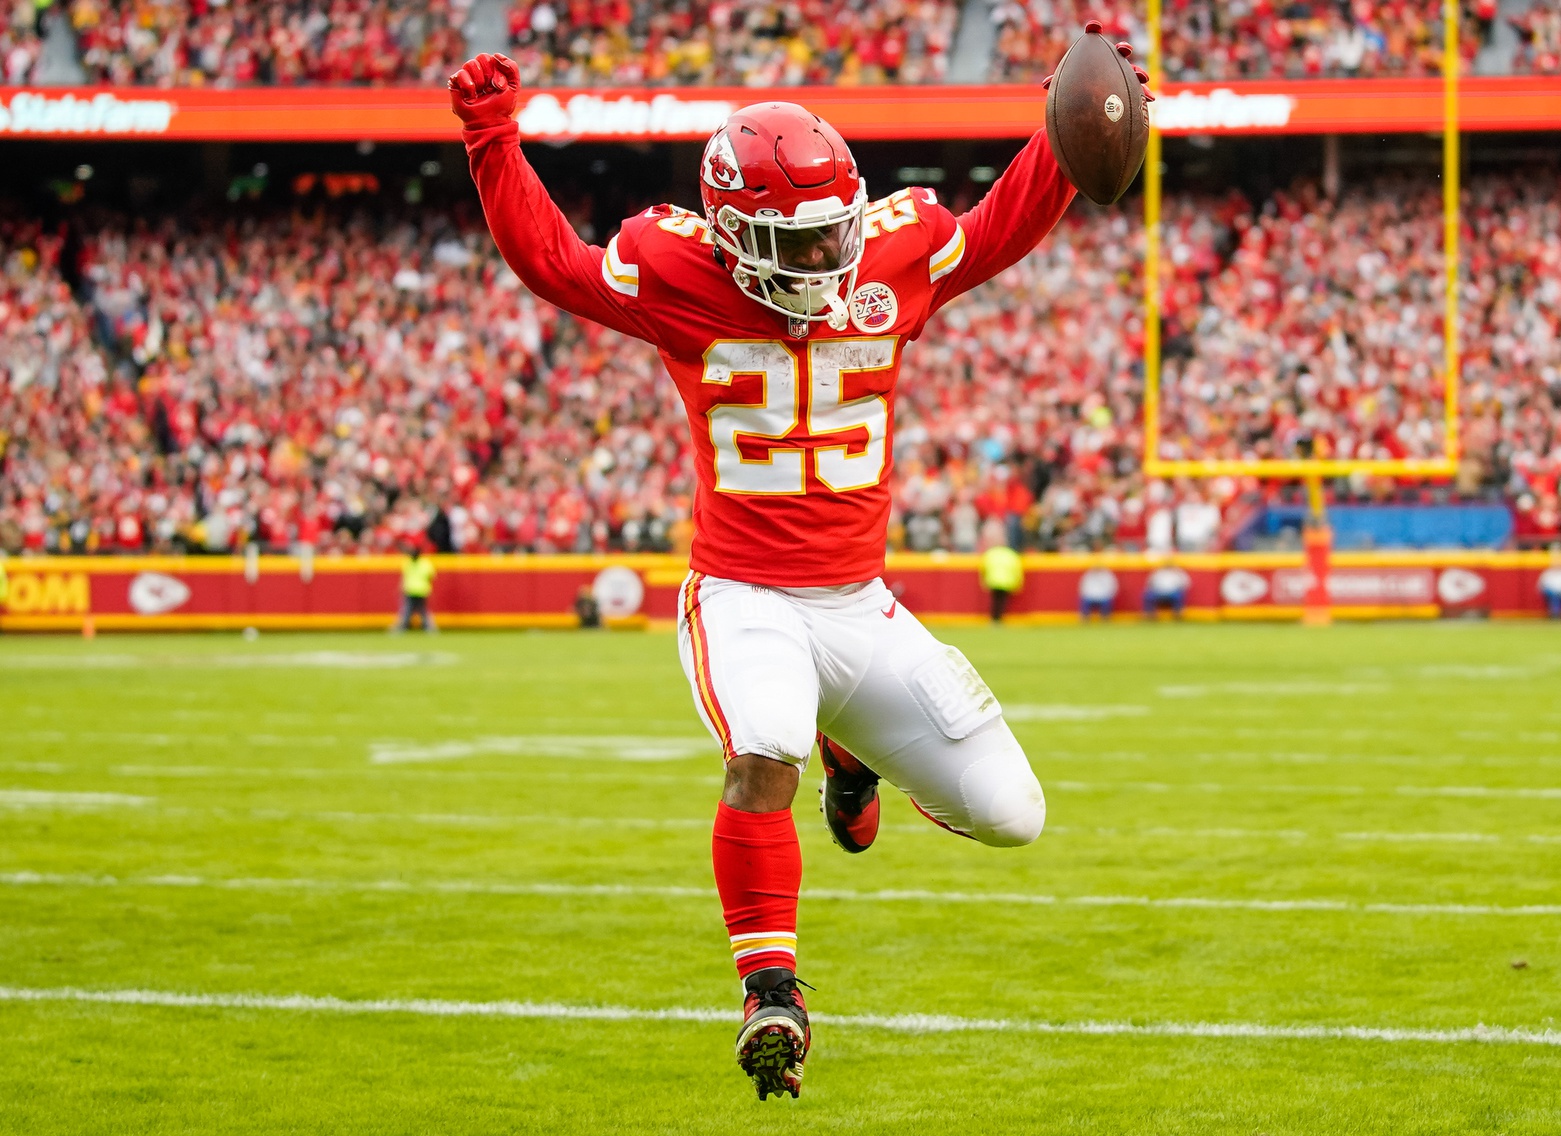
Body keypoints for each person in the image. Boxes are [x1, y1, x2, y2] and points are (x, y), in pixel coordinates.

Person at [450, 43, 1147, 1100]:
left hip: (860, 603)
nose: (828, 249)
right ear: (732, 236)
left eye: (836, 222)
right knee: (759, 747)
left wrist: (1072, 128)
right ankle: (772, 989)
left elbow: (999, 228)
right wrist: (492, 141)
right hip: (744, 595)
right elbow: (552, 259)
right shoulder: (673, 269)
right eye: (800, 235)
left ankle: (852, 753)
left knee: (1016, 813)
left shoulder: (891, 249)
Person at [395, 545, 437, 633]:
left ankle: (401, 629)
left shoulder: (410, 562)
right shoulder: (424, 563)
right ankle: (430, 629)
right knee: (422, 611)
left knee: (407, 611)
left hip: (412, 590)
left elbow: (405, 577)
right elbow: (431, 576)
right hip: (420, 590)